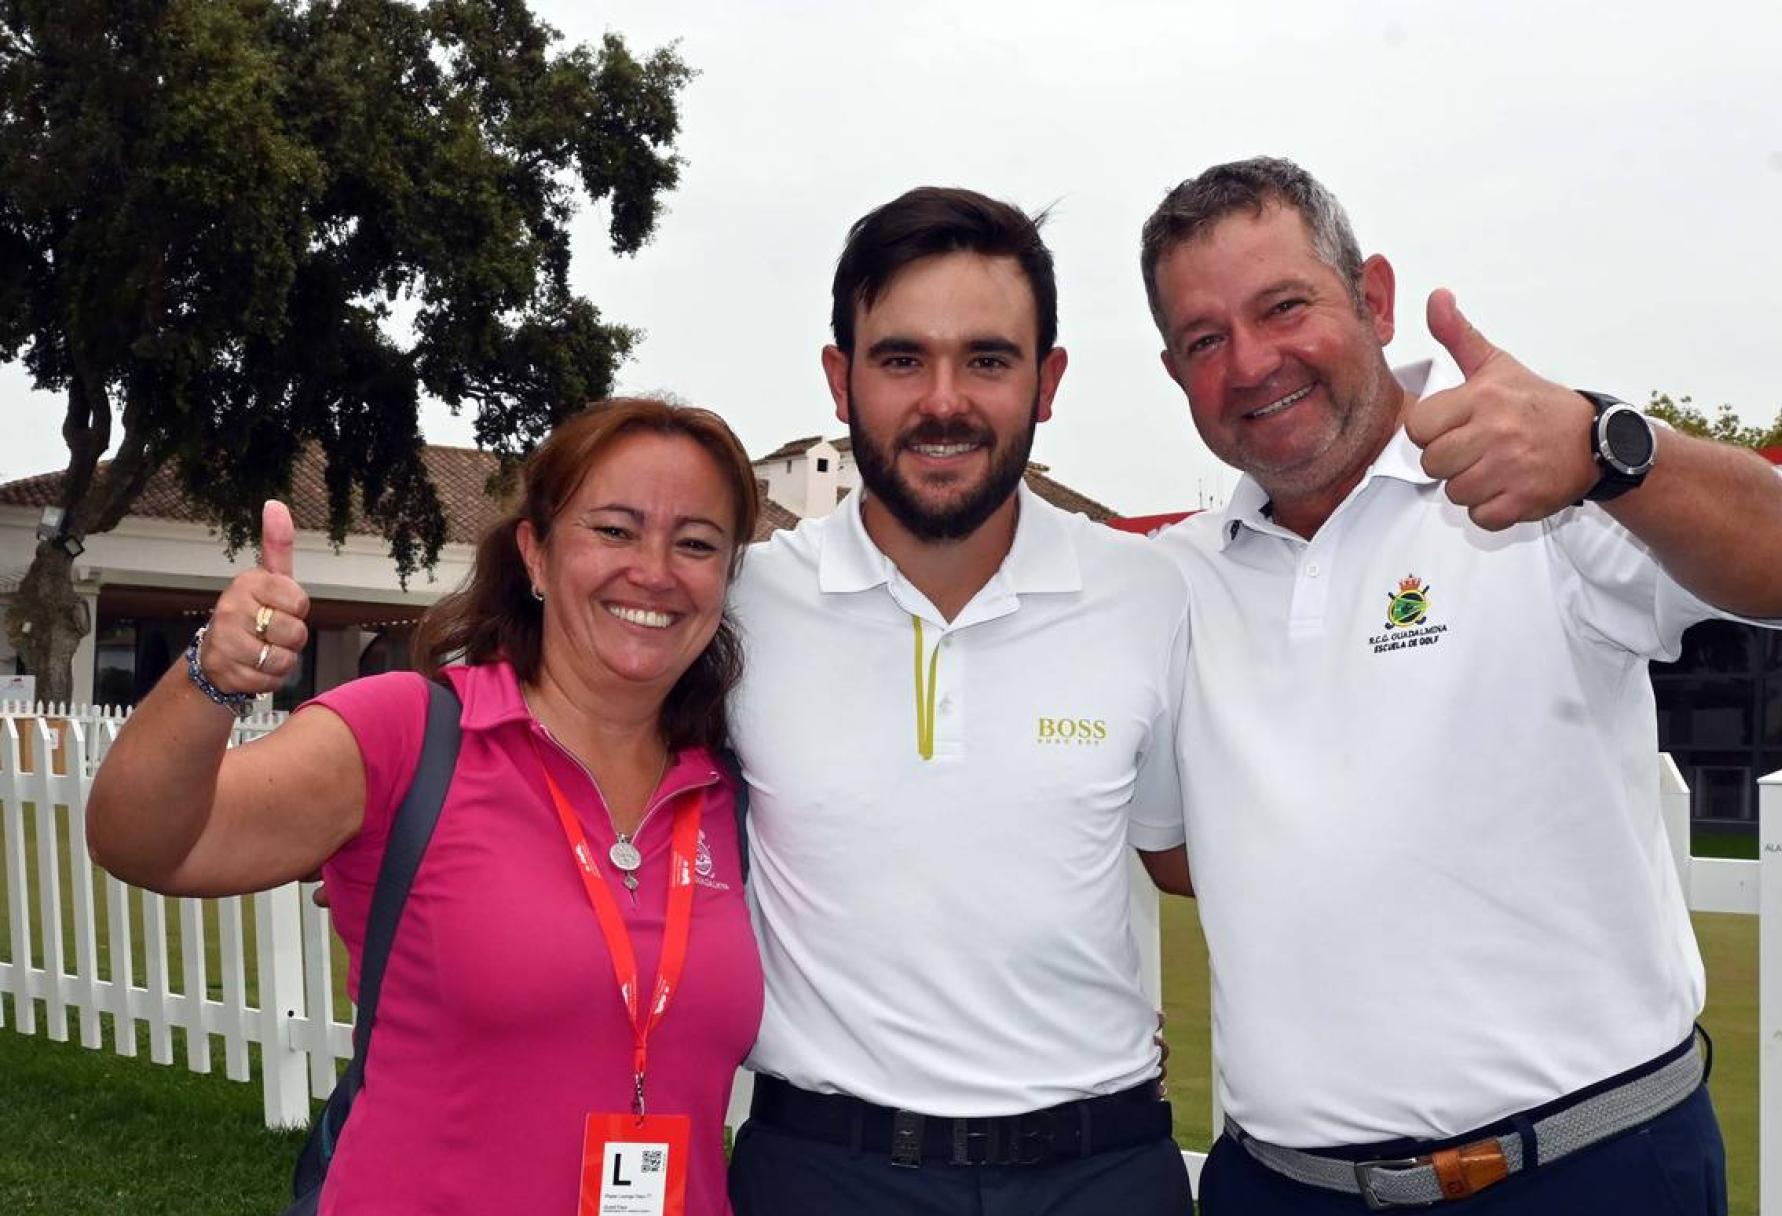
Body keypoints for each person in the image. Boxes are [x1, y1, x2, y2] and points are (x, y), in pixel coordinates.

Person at [1136, 157, 1782, 1214]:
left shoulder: (1544, 477)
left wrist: (1610, 451)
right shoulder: (1172, 581)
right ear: (1174, 371)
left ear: (1374, 299)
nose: (1250, 363)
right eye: (1205, 339)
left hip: (1588, 1172)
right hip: (1282, 1188)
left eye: (1284, 307)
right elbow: (1179, 850)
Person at [86, 398, 766, 1216]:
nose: (654, 570)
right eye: (614, 530)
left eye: (695, 544)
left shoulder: (731, 792)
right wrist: (213, 676)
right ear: (537, 557)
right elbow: (143, 842)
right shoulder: (410, 735)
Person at [722, 187, 1195, 1215]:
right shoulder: (743, 605)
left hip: (1101, 1171)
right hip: (822, 1169)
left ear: (1048, 379)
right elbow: (556, 691)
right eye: (901, 359)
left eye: (987, 358)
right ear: (839, 378)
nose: (944, 400)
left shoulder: (1148, 593)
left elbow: (1193, 854)